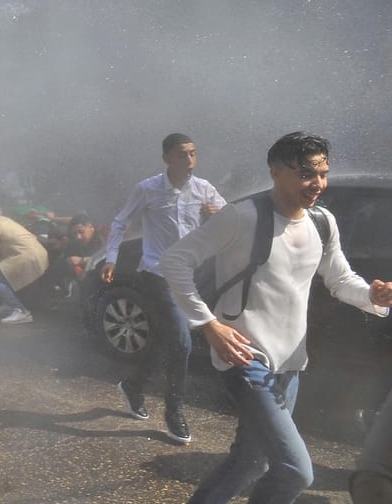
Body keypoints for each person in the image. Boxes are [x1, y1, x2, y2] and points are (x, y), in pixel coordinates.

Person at [160, 131, 392, 504]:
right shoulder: (242, 216)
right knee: (296, 470)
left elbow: (340, 279)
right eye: (304, 173)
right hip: (246, 358)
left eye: (322, 173)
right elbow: (175, 261)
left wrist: (371, 295)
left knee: (250, 462)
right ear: (275, 173)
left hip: (290, 363)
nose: (316, 183)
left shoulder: (322, 222)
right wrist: (208, 324)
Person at [101, 132, 226, 444]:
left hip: (188, 276)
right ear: (167, 158)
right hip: (157, 273)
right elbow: (120, 222)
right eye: (183, 154)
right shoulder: (148, 189)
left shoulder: (204, 189)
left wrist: (218, 215)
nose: (190, 161)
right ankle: (174, 412)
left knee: (163, 341)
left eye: (194, 154)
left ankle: (133, 386)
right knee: (182, 343)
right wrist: (111, 258)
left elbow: (231, 220)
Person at [0, 208, 49, 324]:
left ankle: (21, 311)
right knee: (3, 276)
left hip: (27, 256)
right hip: (35, 253)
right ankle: (9, 304)